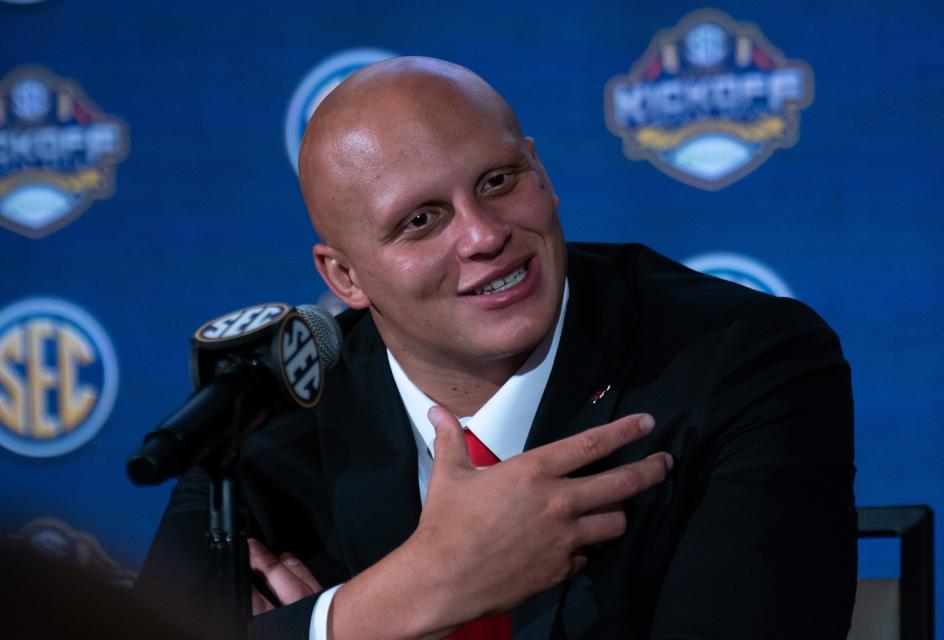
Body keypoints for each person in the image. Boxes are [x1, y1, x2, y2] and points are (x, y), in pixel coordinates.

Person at [138, 57, 856, 639]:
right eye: (421, 220)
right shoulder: (271, 417)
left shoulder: (742, 360)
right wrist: (388, 606)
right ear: (345, 277)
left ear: (540, 173)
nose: (483, 235)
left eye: (498, 181)